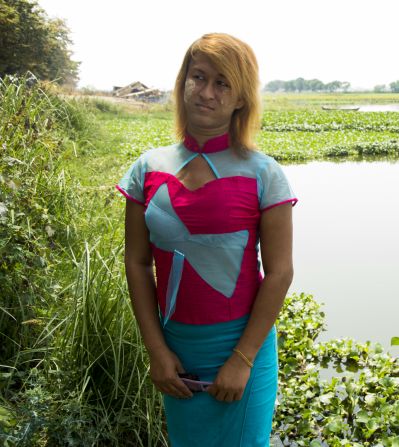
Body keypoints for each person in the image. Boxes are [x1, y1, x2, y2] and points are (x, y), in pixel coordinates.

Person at [116, 33, 297, 446]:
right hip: (176, 351)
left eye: (223, 83)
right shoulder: (148, 168)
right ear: (182, 83)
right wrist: (157, 352)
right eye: (198, 77)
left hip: (241, 349)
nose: (206, 92)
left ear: (240, 99)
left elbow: (280, 272)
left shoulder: (264, 173)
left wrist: (242, 358)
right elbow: (137, 263)